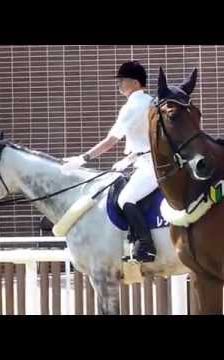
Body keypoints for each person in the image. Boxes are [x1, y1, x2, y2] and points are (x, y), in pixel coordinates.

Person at [62, 60, 158, 263]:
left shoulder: (133, 106)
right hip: (144, 159)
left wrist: (83, 158)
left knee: (125, 199)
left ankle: (146, 246)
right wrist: (129, 157)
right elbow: (147, 140)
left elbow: (111, 141)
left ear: (134, 82)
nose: (119, 85)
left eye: (122, 80)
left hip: (151, 164)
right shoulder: (152, 101)